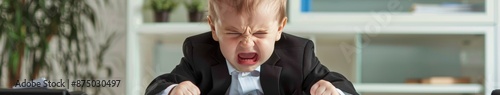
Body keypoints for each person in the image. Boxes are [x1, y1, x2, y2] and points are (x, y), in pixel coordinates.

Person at [145, 0, 358, 95]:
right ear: (214, 29)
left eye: (260, 33)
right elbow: (158, 85)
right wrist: (174, 91)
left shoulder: (298, 54)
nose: (246, 42)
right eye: (233, 33)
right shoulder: (200, 52)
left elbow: (343, 86)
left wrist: (332, 91)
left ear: (279, 29)